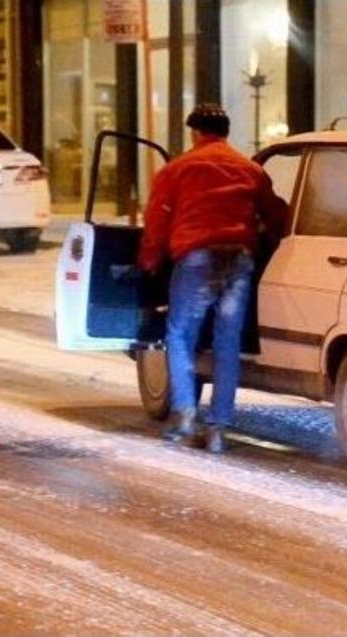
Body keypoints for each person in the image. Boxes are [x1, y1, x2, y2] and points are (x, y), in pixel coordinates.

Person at [138, 103, 289, 454]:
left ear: (195, 133)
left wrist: (149, 263)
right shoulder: (250, 170)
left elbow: (156, 223)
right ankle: (218, 427)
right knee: (227, 343)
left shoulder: (177, 170)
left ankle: (185, 414)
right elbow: (276, 214)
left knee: (179, 335)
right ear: (226, 132)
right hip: (239, 259)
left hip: (196, 259)